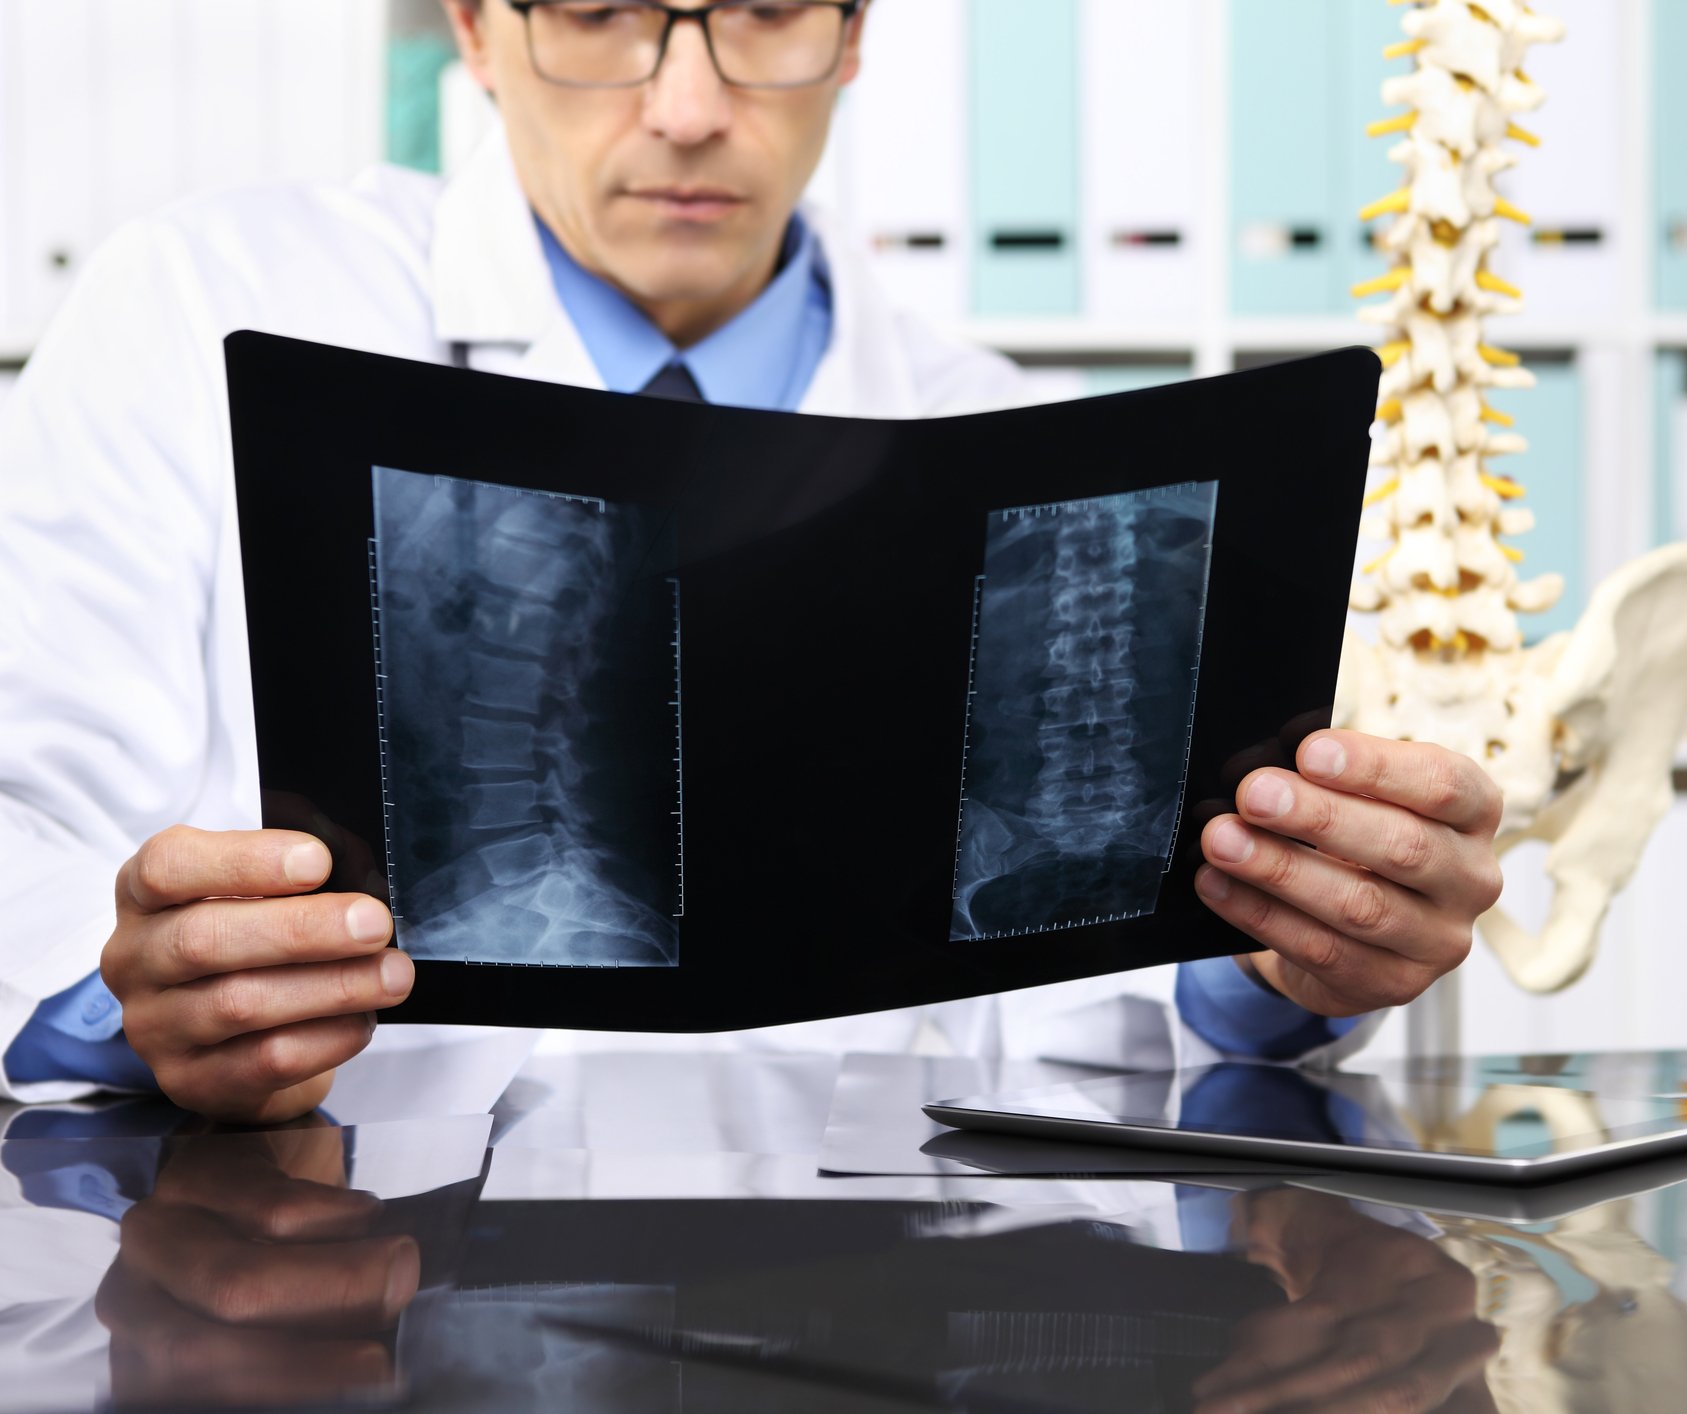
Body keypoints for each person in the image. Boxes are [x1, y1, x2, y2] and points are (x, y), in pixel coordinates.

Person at [0, 0, 1504, 1124]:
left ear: (852, 38)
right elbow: (26, 839)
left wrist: (1285, 950)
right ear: (474, 28)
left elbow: (1073, 1002)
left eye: (766, 14)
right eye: (599, 14)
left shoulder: (997, 433)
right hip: (318, 1278)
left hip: (839, 1314)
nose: (688, 108)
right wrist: (127, 1002)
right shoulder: (203, 303)